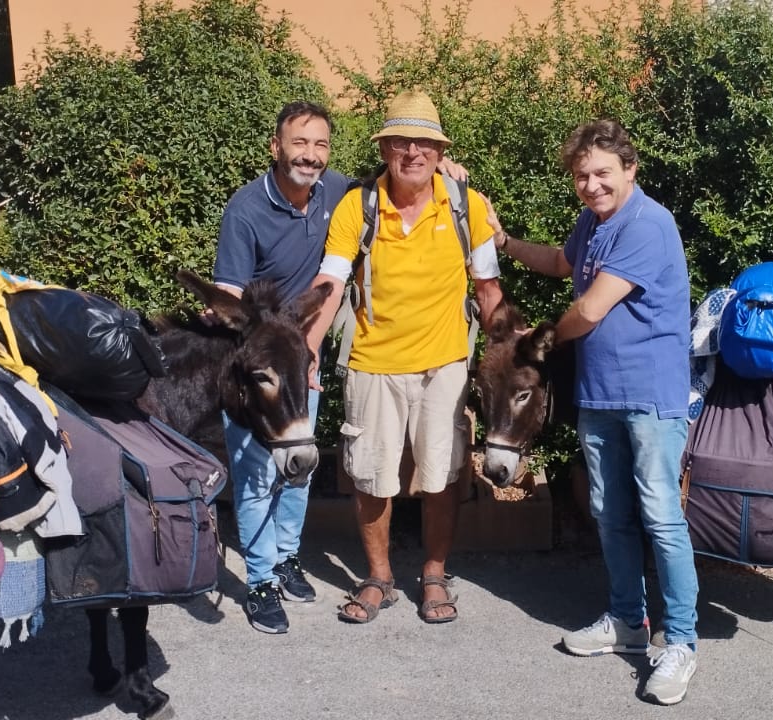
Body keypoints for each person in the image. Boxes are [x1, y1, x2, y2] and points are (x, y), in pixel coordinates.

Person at [488, 119, 699, 704]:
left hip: (649, 396)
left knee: (660, 515)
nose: (591, 184)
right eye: (582, 176)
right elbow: (561, 260)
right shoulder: (593, 222)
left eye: (603, 173)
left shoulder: (648, 225)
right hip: (599, 394)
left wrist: (537, 337)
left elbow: (590, 308)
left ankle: (680, 642)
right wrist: (505, 245)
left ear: (630, 169)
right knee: (609, 512)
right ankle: (629, 623)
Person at [303, 89, 502, 625]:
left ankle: (434, 575)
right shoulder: (357, 205)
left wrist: (504, 357)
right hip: (371, 362)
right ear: (385, 148)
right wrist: (309, 345)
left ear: (440, 153)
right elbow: (331, 280)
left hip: (445, 365)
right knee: (370, 476)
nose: (412, 152)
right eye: (400, 142)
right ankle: (379, 578)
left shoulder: (468, 206)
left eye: (423, 143)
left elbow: (488, 289)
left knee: (442, 474)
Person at [212, 101, 347, 634]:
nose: (310, 156)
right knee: (254, 476)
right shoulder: (245, 210)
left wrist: (449, 170)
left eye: (320, 145)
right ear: (276, 147)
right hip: (258, 368)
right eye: (299, 143)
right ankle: (261, 580)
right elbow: (229, 294)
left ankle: (287, 556)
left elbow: (397, 173)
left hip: (302, 361)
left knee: (300, 468)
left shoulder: (336, 191)